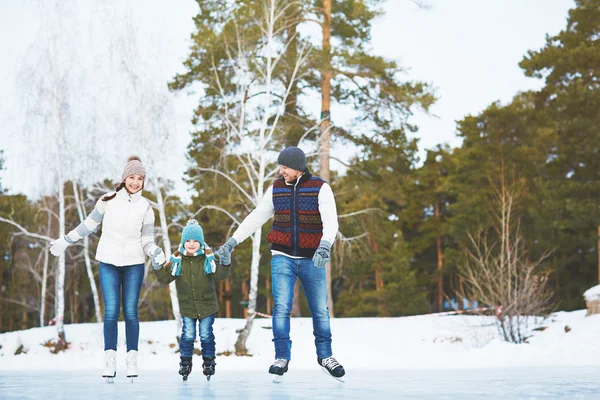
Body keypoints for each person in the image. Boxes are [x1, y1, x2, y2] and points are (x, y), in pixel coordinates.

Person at [217, 146, 345, 380]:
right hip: (282, 256)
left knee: (320, 309)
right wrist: (232, 242)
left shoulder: (320, 188)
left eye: (284, 167)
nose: (281, 171)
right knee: (281, 307)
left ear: (297, 167)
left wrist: (325, 244)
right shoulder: (276, 188)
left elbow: (331, 222)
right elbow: (256, 217)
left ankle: (326, 356)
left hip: (312, 258)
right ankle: (281, 356)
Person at [49, 155, 166, 380]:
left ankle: (132, 360)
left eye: (140, 178)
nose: (135, 182)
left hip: (134, 264)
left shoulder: (146, 207)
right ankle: (110, 359)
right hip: (109, 262)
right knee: (111, 311)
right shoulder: (107, 201)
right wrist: (66, 240)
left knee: (131, 312)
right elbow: (88, 226)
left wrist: (155, 251)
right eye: (131, 177)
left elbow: (147, 240)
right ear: (124, 178)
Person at [152, 219, 231, 381]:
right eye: (188, 240)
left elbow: (221, 275)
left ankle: (209, 361)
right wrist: (157, 267)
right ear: (183, 242)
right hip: (187, 305)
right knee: (187, 335)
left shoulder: (208, 258)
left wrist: (226, 262)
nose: (192, 244)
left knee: (206, 334)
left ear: (201, 242)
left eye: (195, 241)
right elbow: (165, 278)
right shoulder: (177, 260)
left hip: (207, 305)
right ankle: (185, 362)